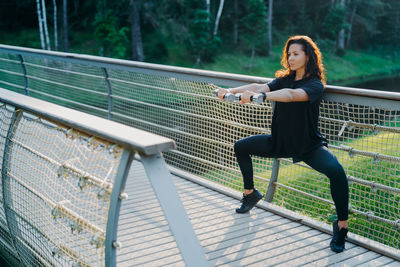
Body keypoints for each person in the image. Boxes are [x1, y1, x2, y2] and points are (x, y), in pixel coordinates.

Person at [217, 35, 349, 253]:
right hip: (279, 142)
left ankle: (342, 226)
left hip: (307, 146)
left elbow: (291, 95)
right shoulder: (283, 79)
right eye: (289, 54)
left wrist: (260, 97)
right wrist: (231, 92)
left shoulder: (315, 84)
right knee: (241, 146)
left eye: (296, 54)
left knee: (337, 172)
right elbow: (258, 85)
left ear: (308, 56)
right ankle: (250, 194)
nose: (291, 58)